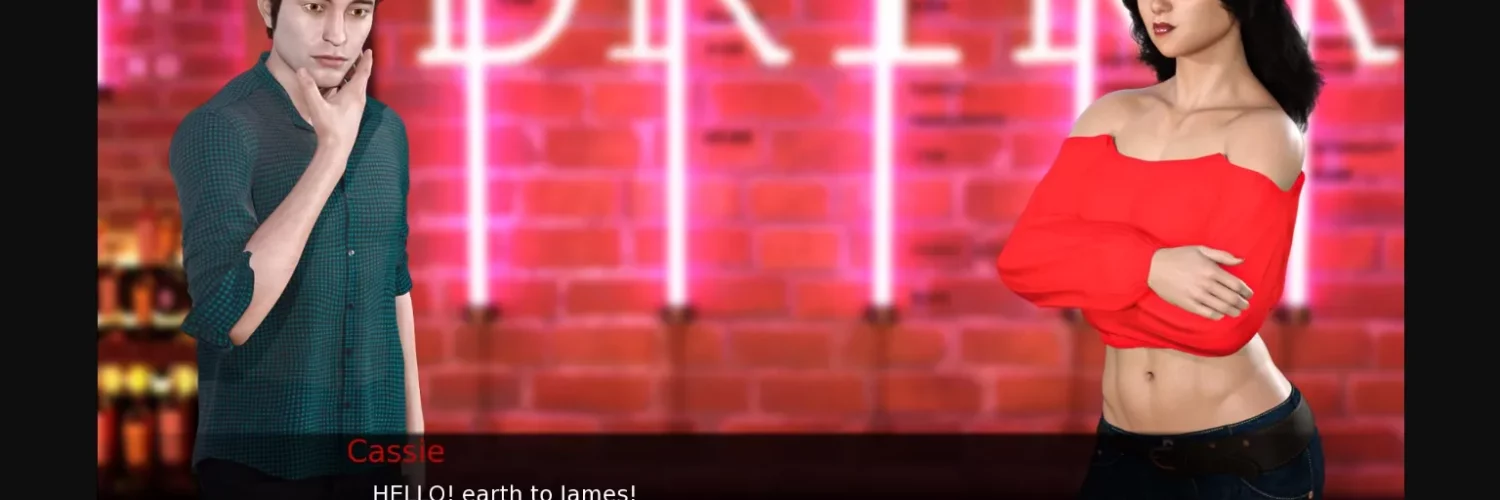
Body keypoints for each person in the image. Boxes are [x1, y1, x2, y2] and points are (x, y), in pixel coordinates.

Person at [995, 0, 1324, 498]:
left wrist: (1089, 276)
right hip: (1119, 449)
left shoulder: (1263, 131)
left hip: (1240, 460)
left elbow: (1219, 325)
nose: (1157, 5)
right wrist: (1152, 267)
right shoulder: (1111, 115)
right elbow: (1023, 260)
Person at [168, 1, 422, 497]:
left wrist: (413, 452)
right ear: (268, 8)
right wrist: (331, 154)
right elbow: (231, 316)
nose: (337, 35)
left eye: (357, 11)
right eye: (314, 7)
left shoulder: (386, 130)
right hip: (262, 462)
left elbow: (394, 287)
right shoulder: (219, 128)